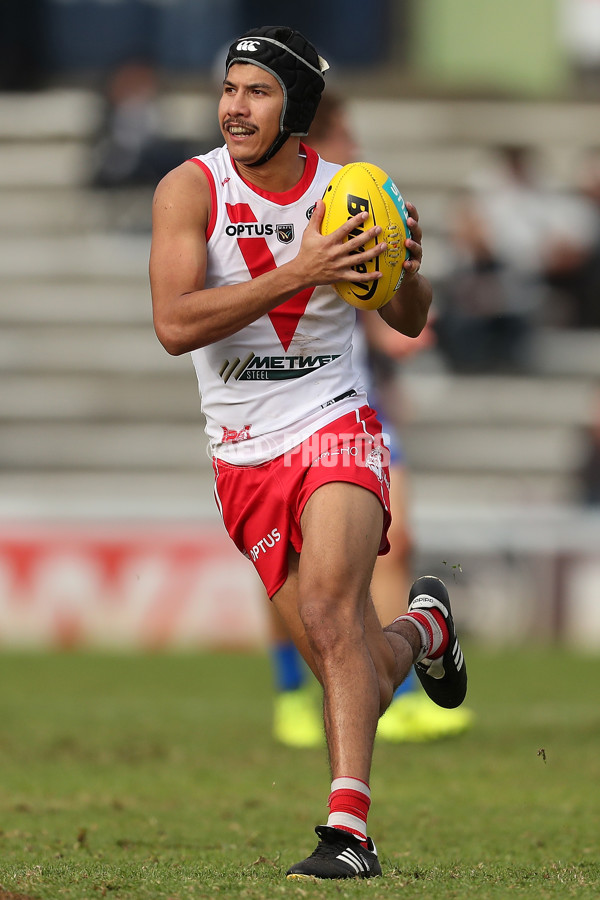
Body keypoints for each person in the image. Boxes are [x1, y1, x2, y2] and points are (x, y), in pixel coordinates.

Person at [150, 25, 468, 880]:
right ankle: (427, 628)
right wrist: (300, 270)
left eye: (256, 91)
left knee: (329, 616)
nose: (234, 107)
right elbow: (175, 325)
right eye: (229, 89)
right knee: (349, 659)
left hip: (336, 422)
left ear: (297, 107)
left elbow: (407, 317)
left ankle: (348, 835)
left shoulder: (350, 194)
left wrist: (403, 266)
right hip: (241, 455)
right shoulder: (188, 191)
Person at [269, 91, 472, 747]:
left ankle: (404, 684)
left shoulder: (357, 204)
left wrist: (399, 318)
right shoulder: (271, 215)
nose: (356, 149)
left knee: (391, 543)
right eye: (345, 137)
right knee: (286, 567)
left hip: (353, 409)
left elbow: (380, 306)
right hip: (274, 413)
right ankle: (294, 691)